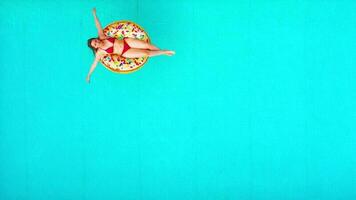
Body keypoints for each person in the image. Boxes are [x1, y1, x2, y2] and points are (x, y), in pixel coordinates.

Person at [86, 8, 175, 83]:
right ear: (95, 47)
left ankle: (162, 51)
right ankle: (163, 52)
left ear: (96, 39)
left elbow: (98, 25)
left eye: (95, 40)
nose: (97, 42)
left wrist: (94, 14)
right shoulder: (100, 52)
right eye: (95, 44)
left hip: (127, 42)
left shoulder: (102, 36)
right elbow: (94, 64)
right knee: (146, 53)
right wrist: (89, 74)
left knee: (146, 44)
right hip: (125, 52)